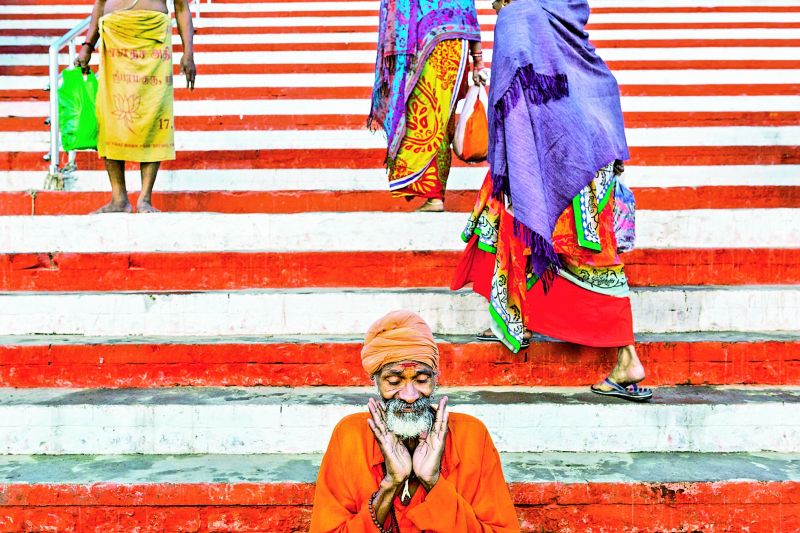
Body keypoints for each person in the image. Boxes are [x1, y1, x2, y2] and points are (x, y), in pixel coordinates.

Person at [451, 0, 652, 402]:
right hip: (591, 144)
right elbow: (599, 81)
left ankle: (627, 357)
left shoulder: (516, 16)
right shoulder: (563, 10)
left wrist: (516, 160)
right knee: (585, 249)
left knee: (556, 240)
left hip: (547, 148)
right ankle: (516, 315)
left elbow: (509, 93)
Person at [310, 310, 519, 532]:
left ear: (434, 380)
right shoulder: (349, 436)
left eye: (421, 380)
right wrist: (391, 484)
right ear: (377, 382)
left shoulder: (472, 436)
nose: (409, 395)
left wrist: (433, 482)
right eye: (394, 381)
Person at [75, 0, 196, 213]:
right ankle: (118, 198)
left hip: (153, 42)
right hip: (114, 40)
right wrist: (87, 46)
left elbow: (182, 7)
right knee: (110, 117)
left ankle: (145, 198)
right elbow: (101, 4)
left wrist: (188, 53)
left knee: (154, 113)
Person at [368, 0, 486, 212]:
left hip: (422, 44)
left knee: (426, 118)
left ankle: (434, 194)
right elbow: (466, 9)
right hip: (453, 43)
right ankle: (434, 194)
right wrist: (478, 61)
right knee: (438, 120)